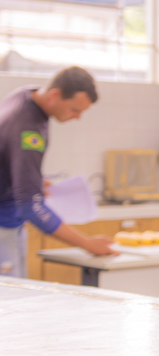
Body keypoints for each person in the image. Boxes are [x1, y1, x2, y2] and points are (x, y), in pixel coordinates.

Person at [0, 66, 116, 277]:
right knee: (8, 301)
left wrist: (29, 177)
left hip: (8, 221)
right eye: (75, 110)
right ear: (54, 95)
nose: (78, 117)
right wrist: (88, 244)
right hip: (3, 226)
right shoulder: (28, 128)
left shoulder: (24, 95)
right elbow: (31, 206)